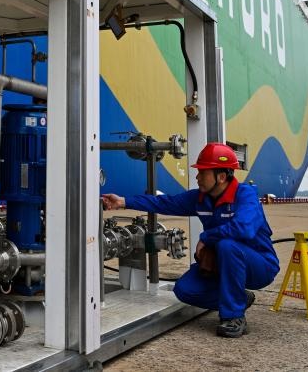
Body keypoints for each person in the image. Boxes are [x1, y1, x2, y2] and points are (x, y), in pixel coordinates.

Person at [102, 142, 279, 337]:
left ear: (221, 177)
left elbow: (244, 229)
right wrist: (123, 201)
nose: (197, 177)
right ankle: (240, 298)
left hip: (259, 265)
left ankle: (233, 316)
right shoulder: (200, 198)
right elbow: (165, 202)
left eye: (203, 172)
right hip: (223, 264)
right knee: (185, 290)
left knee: (227, 245)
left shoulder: (245, 195)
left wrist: (206, 237)